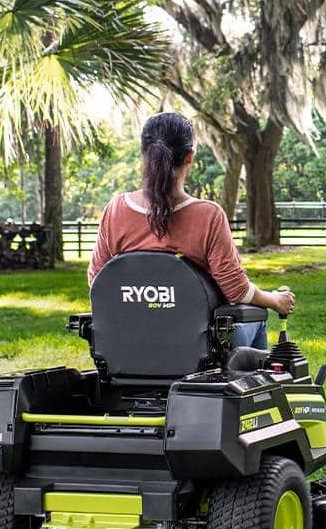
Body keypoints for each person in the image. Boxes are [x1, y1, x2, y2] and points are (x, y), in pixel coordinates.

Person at [88, 111, 295, 350]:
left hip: (130, 346)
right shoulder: (208, 216)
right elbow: (236, 291)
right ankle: (250, 374)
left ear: (144, 154)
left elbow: (98, 281)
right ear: (189, 156)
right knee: (257, 317)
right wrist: (274, 300)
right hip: (197, 350)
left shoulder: (116, 210)